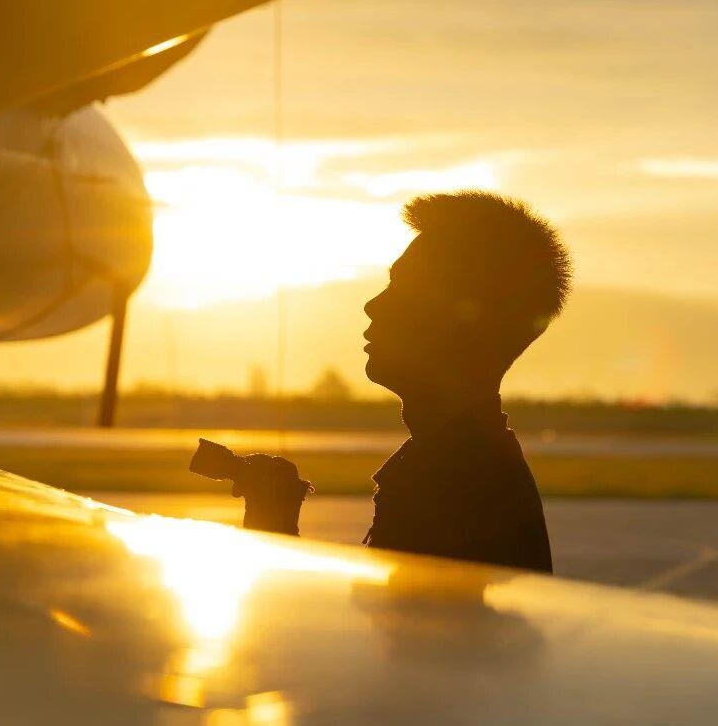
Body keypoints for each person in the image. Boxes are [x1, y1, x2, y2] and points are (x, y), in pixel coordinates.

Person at [222, 191, 572, 573]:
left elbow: (394, 613)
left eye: (405, 290)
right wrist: (273, 517)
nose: (373, 305)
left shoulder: (453, 485)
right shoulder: (464, 465)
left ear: (464, 324)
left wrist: (272, 524)